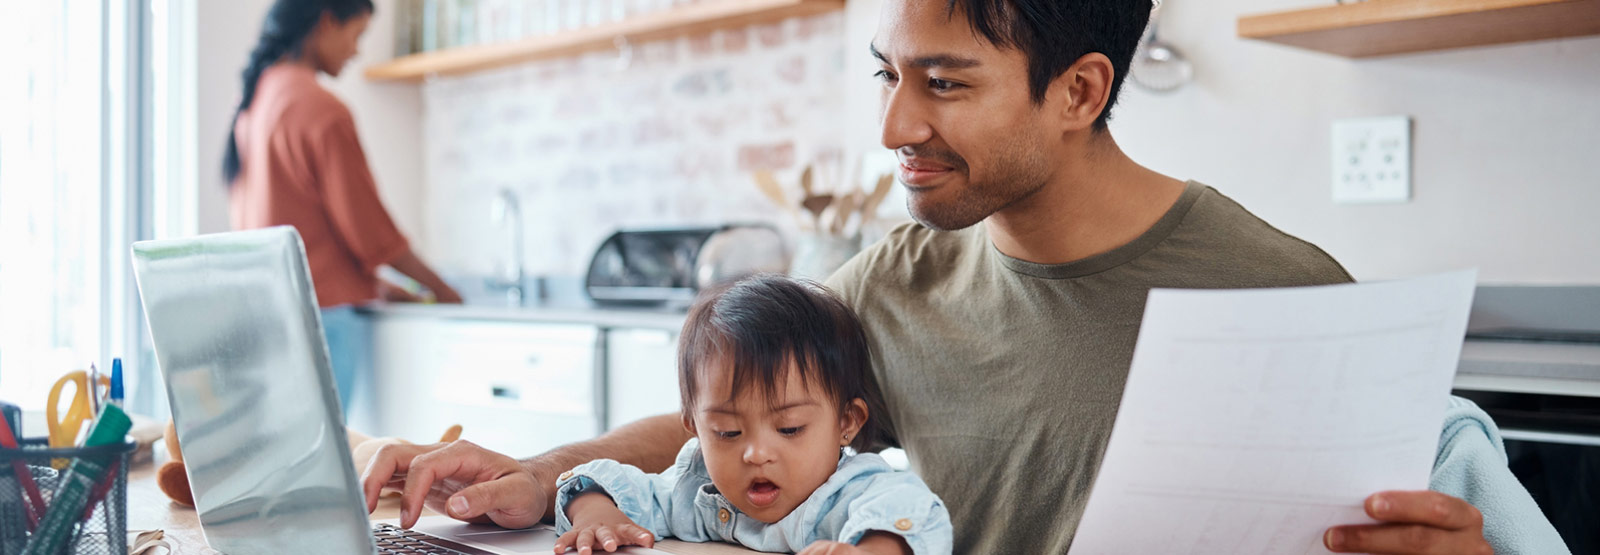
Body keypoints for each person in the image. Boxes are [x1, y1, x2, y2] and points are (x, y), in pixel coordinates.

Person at [359, 1, 1569, 553]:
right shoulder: (895, 277)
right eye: (887, 71)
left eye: (942, 83)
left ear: (1081, 91)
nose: (893, 121)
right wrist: (539, 475)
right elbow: (726, 414)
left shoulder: (1290, 296)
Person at [550, 275, 950, 555]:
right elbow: (610, 484)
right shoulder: (699, 493)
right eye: (727, 432)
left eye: (789, 428)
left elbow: (913, 509)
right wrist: (594, 511)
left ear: (846, 423)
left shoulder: (851, 494)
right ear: (695, 429)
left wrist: (873, 549)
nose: (756, 454)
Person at [226, 0, 462, 414]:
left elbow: (292, 225)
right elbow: (371, 234)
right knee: (331, 463)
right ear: (327, 22)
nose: (357, 51)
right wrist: (442, 290)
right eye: (357, 35)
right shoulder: (320, 109)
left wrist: (373, 285)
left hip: (266, 315)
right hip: (321, 322)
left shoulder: (257, 103)